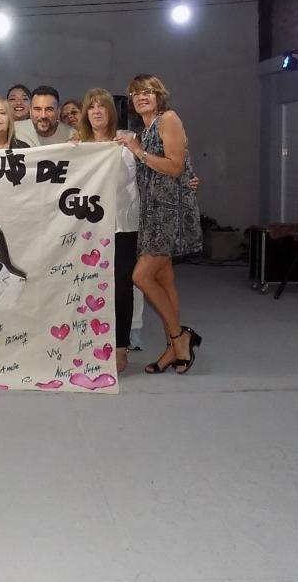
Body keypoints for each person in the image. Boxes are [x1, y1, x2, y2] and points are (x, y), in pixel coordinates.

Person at [116, 75, 203, 375]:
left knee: (140, 276)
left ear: (159, 95)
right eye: (136, 93)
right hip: (151, 213)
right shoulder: (145, 129)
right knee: (164, 281)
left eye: (148, 92)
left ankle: (180, 337)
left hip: (169, 212)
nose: (142, 97)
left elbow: (175, 166)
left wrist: (138, 151)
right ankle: (172, 350)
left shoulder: (169, 119)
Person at [77, 88, 137, 373]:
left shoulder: (128, 140)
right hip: (88, 226)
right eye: (91, 107)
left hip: (123, 225)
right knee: (87, 284)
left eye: (102, 106)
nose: (97, 111)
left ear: (111, 111)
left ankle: (121, 346)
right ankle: (87, 342)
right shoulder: (77, 145)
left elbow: (150, 171)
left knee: (122, 285)